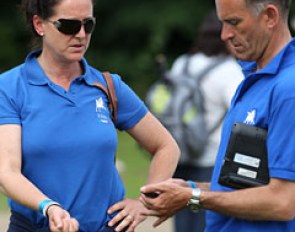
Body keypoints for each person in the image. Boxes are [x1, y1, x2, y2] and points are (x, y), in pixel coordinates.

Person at [0, 0, 180, 232]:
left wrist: (143, 203)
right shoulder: (10, 87)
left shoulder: (107, 86)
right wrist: (49, 207)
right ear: (39, 24)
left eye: (88, 24)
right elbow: (6, 172)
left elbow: (166, 147)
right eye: (69, 26)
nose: (81, 35)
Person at [140, 0, 295, 231]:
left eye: (234, 22)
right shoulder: (253, 77)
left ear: (270, 17)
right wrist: (190, 188)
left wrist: (193, 197)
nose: (224, 35)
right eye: (223, 23)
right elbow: (245, 186)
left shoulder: (288, 89)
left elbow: (283, 201)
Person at [168, 10, 243, 232]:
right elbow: (240, 113)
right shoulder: (229, 70)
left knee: (181, 218)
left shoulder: (182, 63)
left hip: (179, 152)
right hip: (210, 157)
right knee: (205, 222)